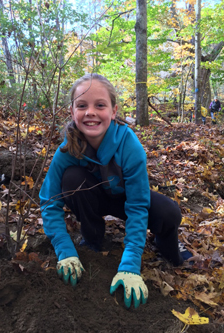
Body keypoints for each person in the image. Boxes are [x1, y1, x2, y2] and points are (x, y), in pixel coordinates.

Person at [39, 73, 190, 309]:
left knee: (169, 213)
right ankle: (92, 241)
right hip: (94, 198)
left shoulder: (129, 145)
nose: (90, 112)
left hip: (125, 198)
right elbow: (49, 201)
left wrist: (130, 264)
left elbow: (138, 205)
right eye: (82, 105)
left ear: (113, 110)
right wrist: (64, 250)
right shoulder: (67, 149)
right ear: (72, 112)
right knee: (72, 178)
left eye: (100, 105)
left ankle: (169, 248)